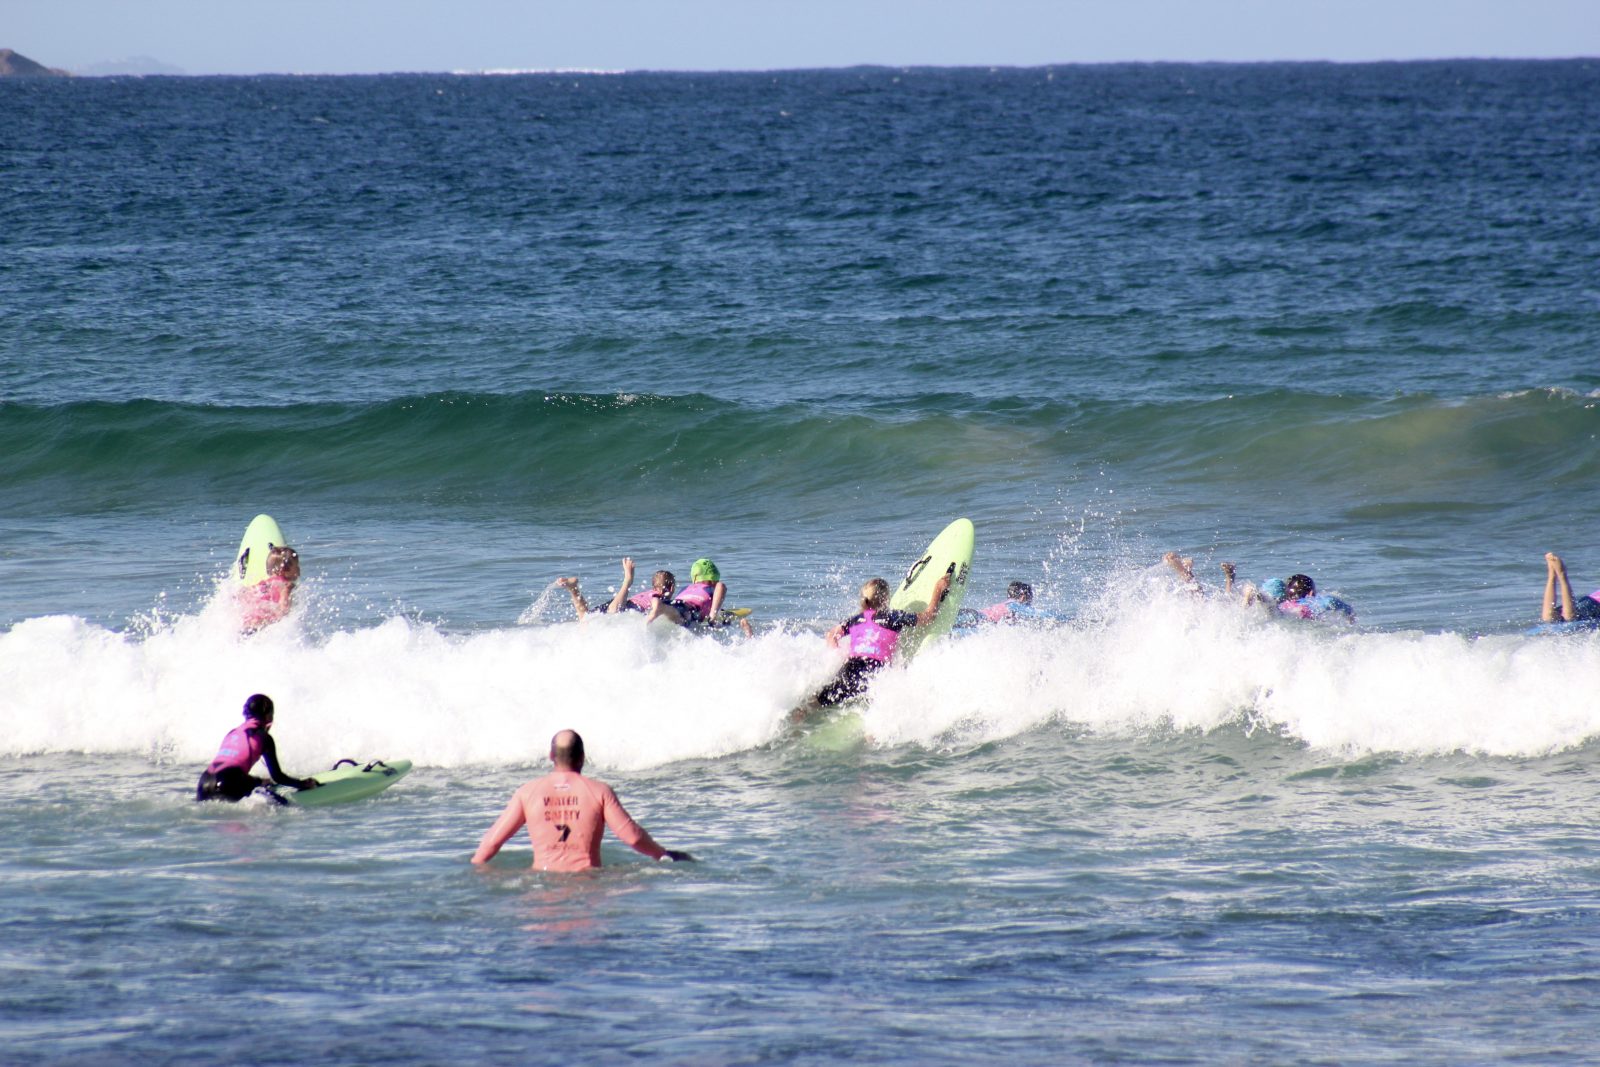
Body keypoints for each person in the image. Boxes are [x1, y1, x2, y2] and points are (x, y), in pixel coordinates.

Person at [471, 729, 693, 871]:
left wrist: (475, 868)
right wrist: (663, 854)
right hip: (587, 884)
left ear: (551, 756)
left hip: (542, 886)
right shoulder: (598, 791)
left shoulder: (527, 793)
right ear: (582, 757)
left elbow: (492, 842)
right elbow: (633, 838)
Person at [814, 571, 951, 708]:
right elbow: (928, 617)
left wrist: (840, 657)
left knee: (817, 702)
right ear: (885, 598)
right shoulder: (892, 617)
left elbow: (831, 635)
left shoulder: (856, 619)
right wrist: (938, 589)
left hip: (850, 668)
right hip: (875, 672)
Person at [195, 693, 318, 804]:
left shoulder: (232, 733)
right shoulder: (263, 737)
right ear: (268, 716)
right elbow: (278, 777)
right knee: (281, 804)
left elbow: (230, 770)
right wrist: (303, 784)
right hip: (227, 783)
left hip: (203, 785)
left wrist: (259, 781)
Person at [645, 557, 754, 635]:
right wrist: (713, 615)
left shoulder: (686, 588)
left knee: (673, 612)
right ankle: (748, 634)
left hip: (677, 604)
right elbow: (721, 586)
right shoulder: (712, 588)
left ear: (695, 578)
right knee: (713, 625)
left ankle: (661, 607)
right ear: (714, 579)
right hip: (691, 610)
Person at [558, 558, 674, 622]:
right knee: (612, 611)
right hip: (626, 607)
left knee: (585, 618)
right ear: (672, 587)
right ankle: (627, 580)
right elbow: (656, 607)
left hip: (621, 601)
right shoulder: (659, 597)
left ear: (653, 585)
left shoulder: (648, 593)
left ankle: (573, 588)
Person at [239, 545, 300, 632]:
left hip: (246, 626)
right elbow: (284, 609)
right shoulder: (286, 585)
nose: (299, 570)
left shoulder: (261, 585)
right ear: (283, 570)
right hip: (263, 627)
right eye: (296, 566)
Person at [1541, 552, 1600, 625]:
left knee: (1549, 618)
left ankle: (1552, 573)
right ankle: (1561, 574)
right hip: (1595, 602)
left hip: (1590, 600)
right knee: (1570, 617)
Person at [1277, 573, 1356, 622]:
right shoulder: (1312, 603)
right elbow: (1330, 601)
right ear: (1311, 593)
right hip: (1306, 616)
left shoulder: (1282, 604)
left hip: (1287, 613)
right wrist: (1350, 620)